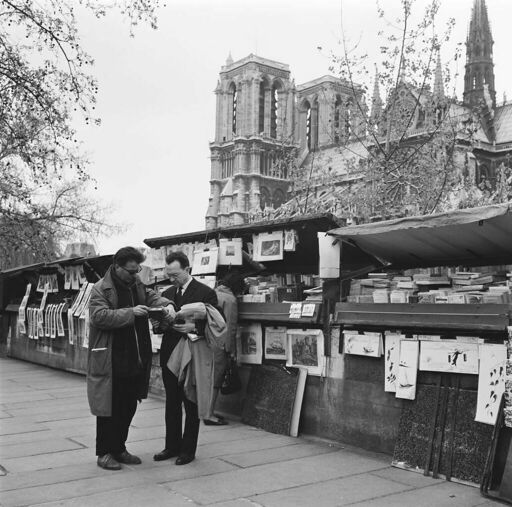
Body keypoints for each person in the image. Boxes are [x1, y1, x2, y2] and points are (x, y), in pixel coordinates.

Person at [87, 247, 175, 471]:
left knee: (128, 406)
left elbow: (152, 296)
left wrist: (167, 304)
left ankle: (119, 448)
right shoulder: (100, 289)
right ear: (117, 267)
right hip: (111, 357)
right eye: (130, 271)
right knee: (110, 408)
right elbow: (99, 317)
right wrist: (130, 313)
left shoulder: (135, 284)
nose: (135, 275)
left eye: (137, 271)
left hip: (135, 357)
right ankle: (104, 452)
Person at [153, 251, 219, 466]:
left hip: (193, 353)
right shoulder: (167, 293)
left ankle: (188, 450)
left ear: (187, 269)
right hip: (170, 351)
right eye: (169, 275)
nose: (172, 279)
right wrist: (159, 323)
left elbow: (218, 322)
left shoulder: (206, 292)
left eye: (175, 275)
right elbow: (159, 323)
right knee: (171, 402)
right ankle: (171, 446)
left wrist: (194, 326)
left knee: (190, 401)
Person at [206, 272, 245, 425]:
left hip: (207, 341)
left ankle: (204, 411)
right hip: (219, 344)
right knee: (216, 380)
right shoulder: (230, 300)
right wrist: (231, 351)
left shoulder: (213, 293)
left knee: (206, 379)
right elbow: (230, 328)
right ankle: (209, 414)